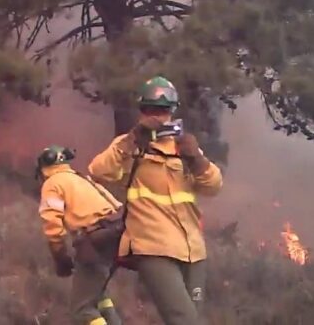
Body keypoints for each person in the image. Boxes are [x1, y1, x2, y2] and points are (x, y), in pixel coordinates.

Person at [88, 76, 223, 325]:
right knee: (186, 321)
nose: (158, 117)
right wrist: (130, 141)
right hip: (152, 247)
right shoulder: (130, 146)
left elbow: (213, 186)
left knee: (190, 319)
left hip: (193, 249)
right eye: (151, 110)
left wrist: (198, 161)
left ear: (172, 111)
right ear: (141, 111)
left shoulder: (184, 147)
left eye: (163, 110)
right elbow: (98, 170)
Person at [36, 145, 124, 325]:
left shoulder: (52, 184)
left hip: (94, 243)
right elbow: (116, 207)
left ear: (44, 168)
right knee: (98, 297)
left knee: (81, 310)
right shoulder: (81, 178)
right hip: (117, 236)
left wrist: (61, 258)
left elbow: (53, 225)